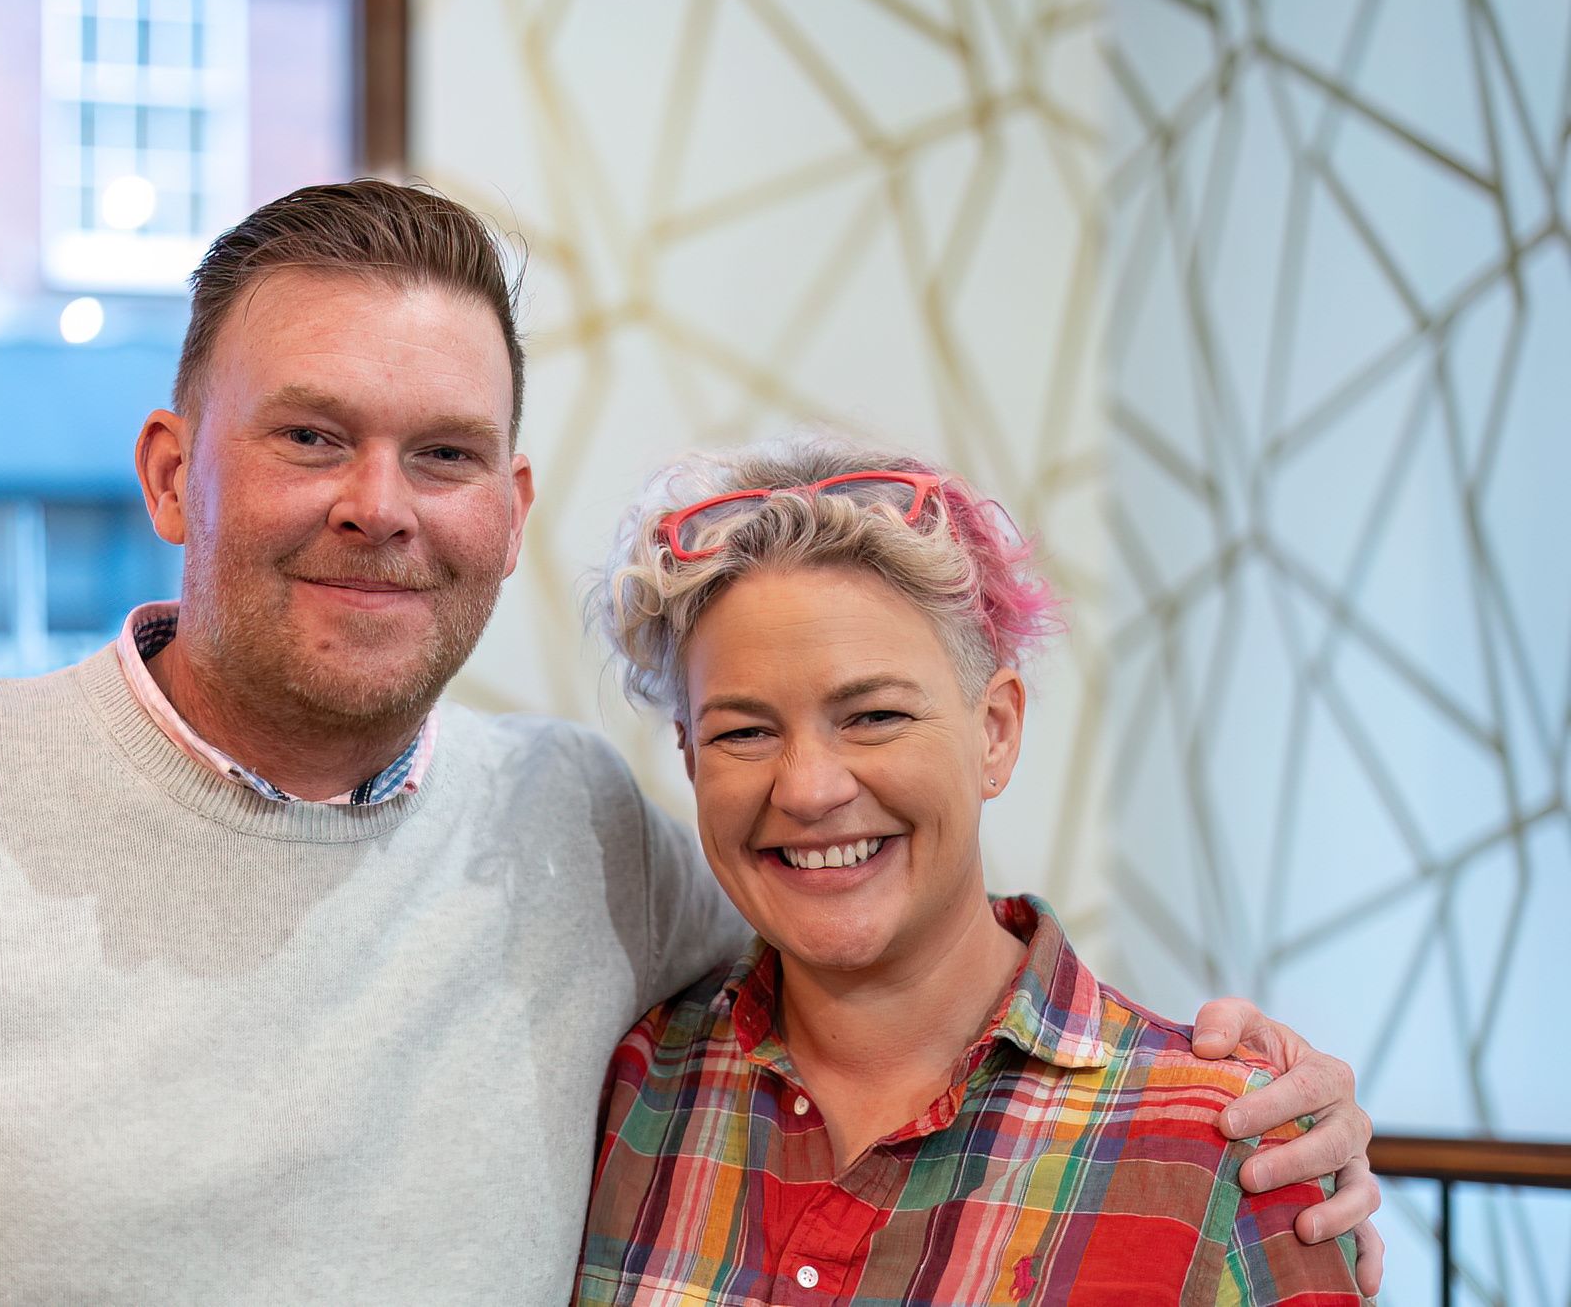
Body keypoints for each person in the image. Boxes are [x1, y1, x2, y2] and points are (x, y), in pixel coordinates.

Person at [0, 182, 1379, 1304]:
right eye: (308, 437)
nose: (381, 506)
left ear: (508, 508)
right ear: (168, 473)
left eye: (441, 454)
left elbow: (876, 933)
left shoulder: (576, 828)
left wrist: (1249, 1095)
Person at [578, 439, 1367, 1303]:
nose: (807, 788)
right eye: (743, 732)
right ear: (690, 757)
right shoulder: (629, 1091)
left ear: (995, 731)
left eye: (874, 715)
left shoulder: (1223, 1149)